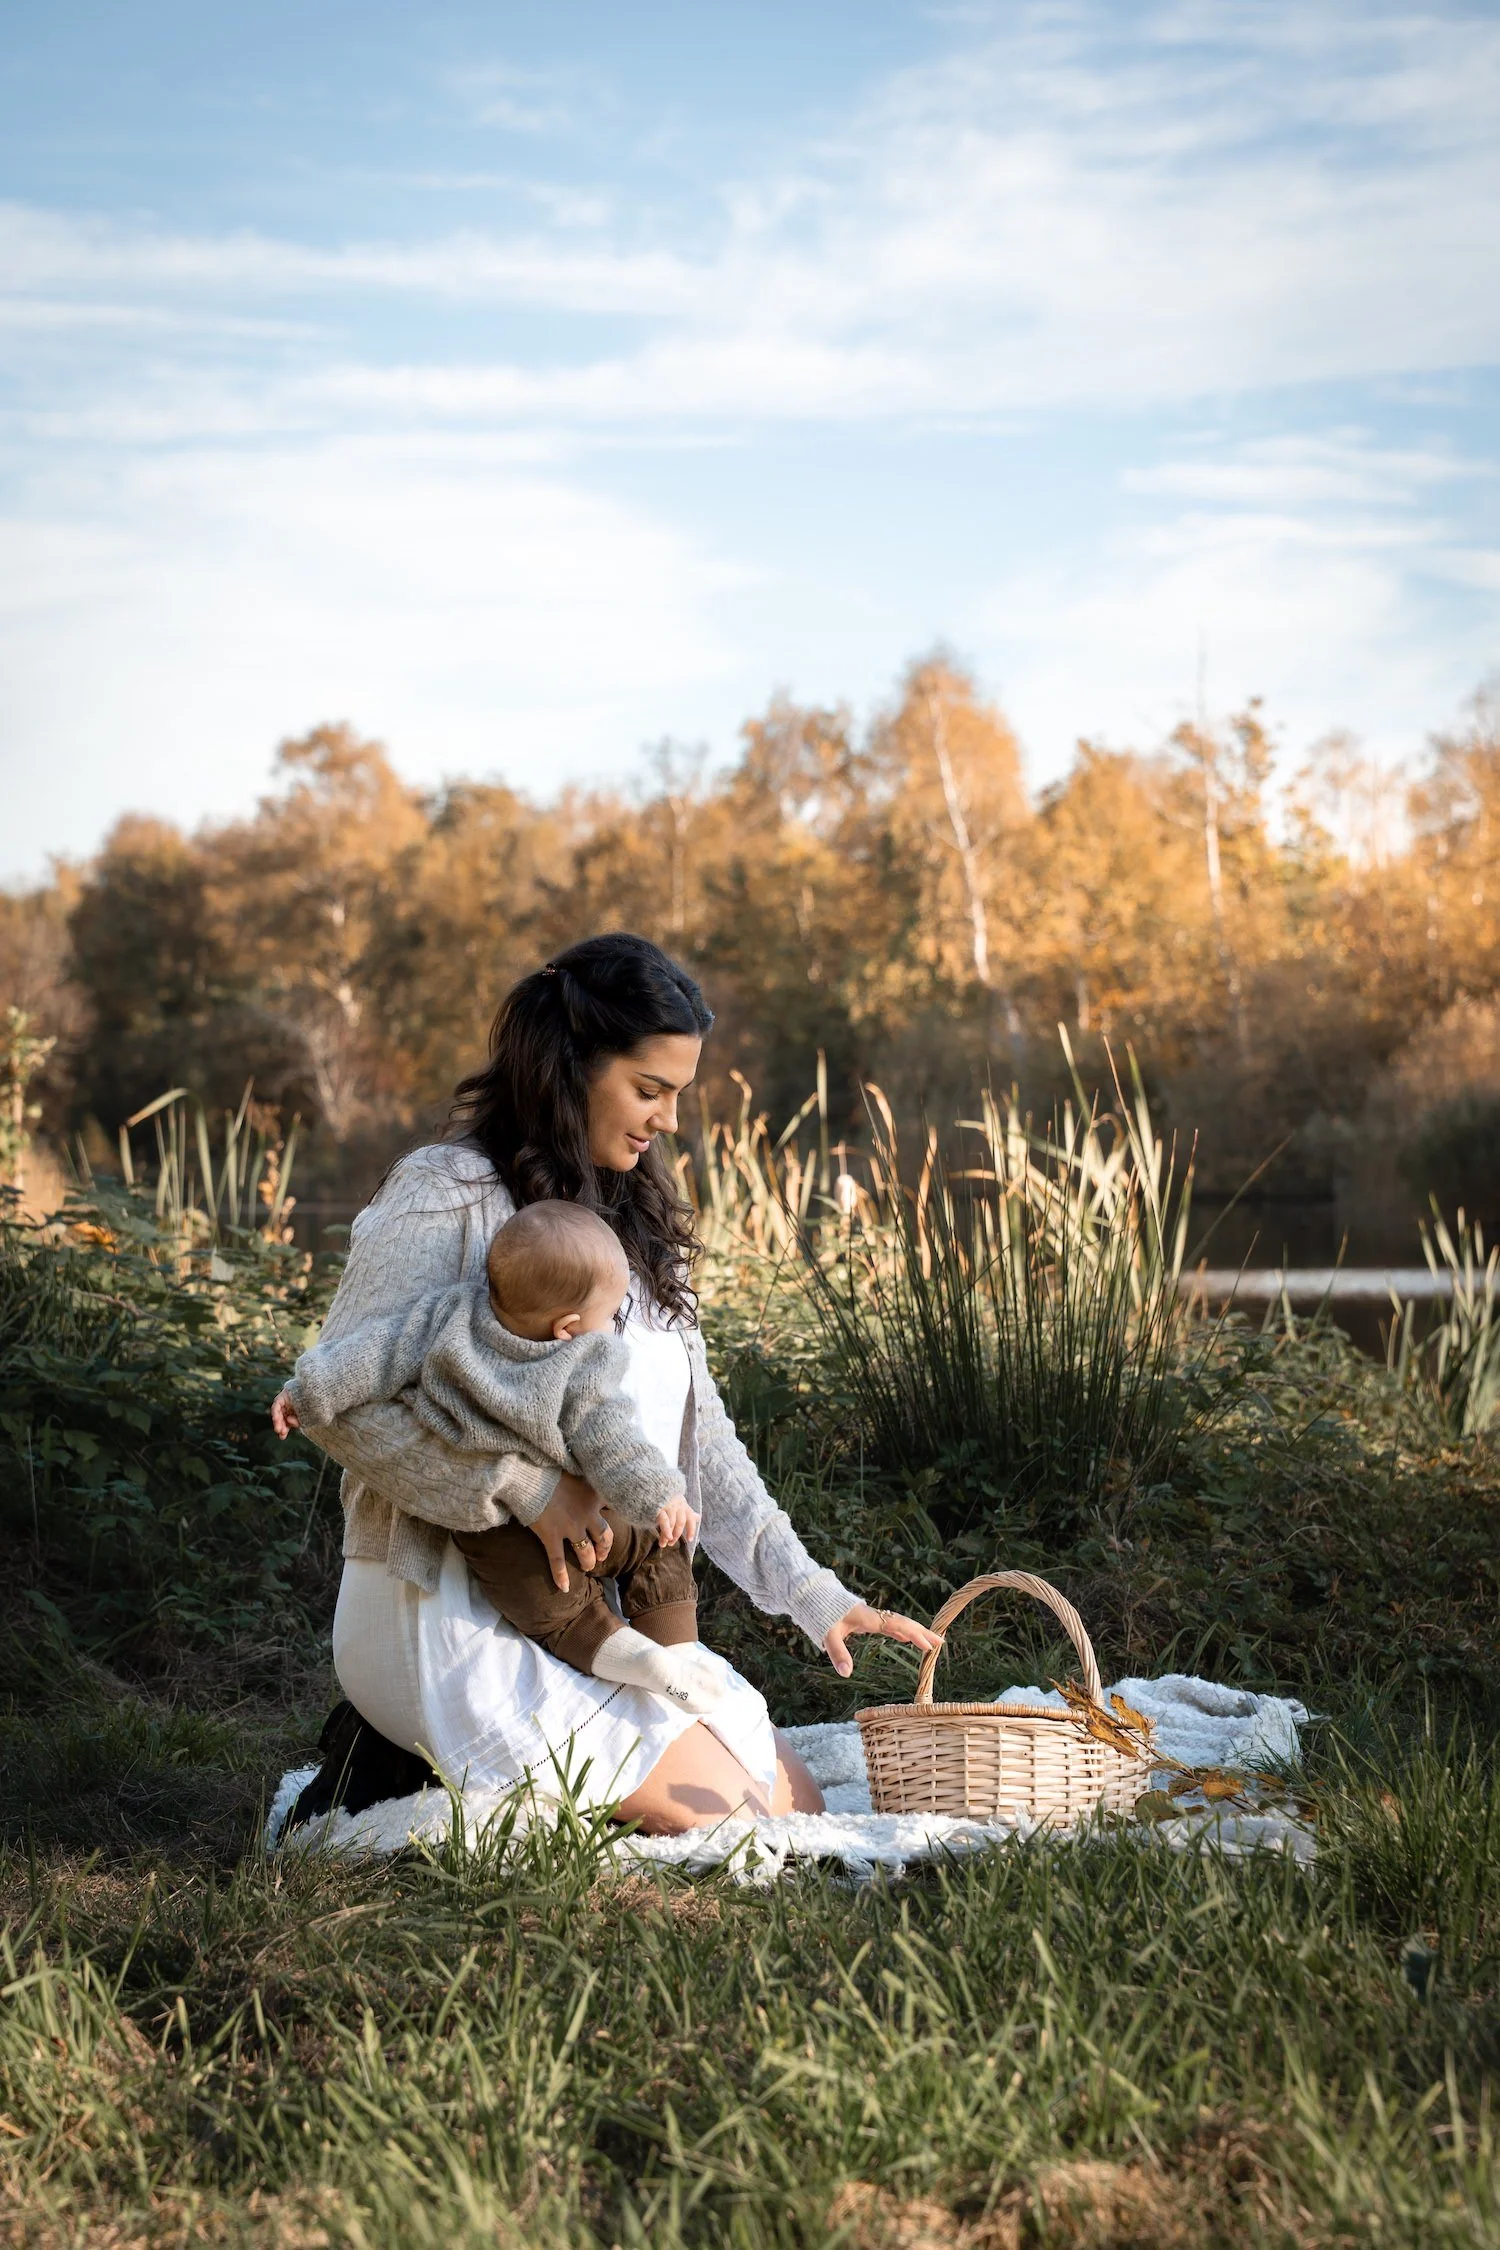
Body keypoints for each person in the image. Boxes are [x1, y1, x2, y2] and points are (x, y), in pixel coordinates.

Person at [295, 931, 939, 1835]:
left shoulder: (629, 1220)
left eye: (678, 1094)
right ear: (568, 1070)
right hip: (443, 1609)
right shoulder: (446, 1192)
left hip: (585, 1619)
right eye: (649, 1089)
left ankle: (455, 1775)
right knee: (739, 1819)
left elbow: (701, 1444)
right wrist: (526, 1492)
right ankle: (403, 1756)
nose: (669, 1119)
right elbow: (342, 1406)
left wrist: (814, 1594)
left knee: (795, 1801)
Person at [273, 1198, 725, 1713]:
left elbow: (376, 1353)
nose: (610, 1328)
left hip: (489, 1526)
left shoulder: (449, 1315)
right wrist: (661, 1496)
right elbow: (613, 1439)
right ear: (567, 1328)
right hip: (587, 1511)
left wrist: (307, 1392)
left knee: (552, 1609)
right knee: (662, 1543)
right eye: (609, 1316)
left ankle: (628, 1657)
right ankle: (678, 1652)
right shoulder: (583, 1360)